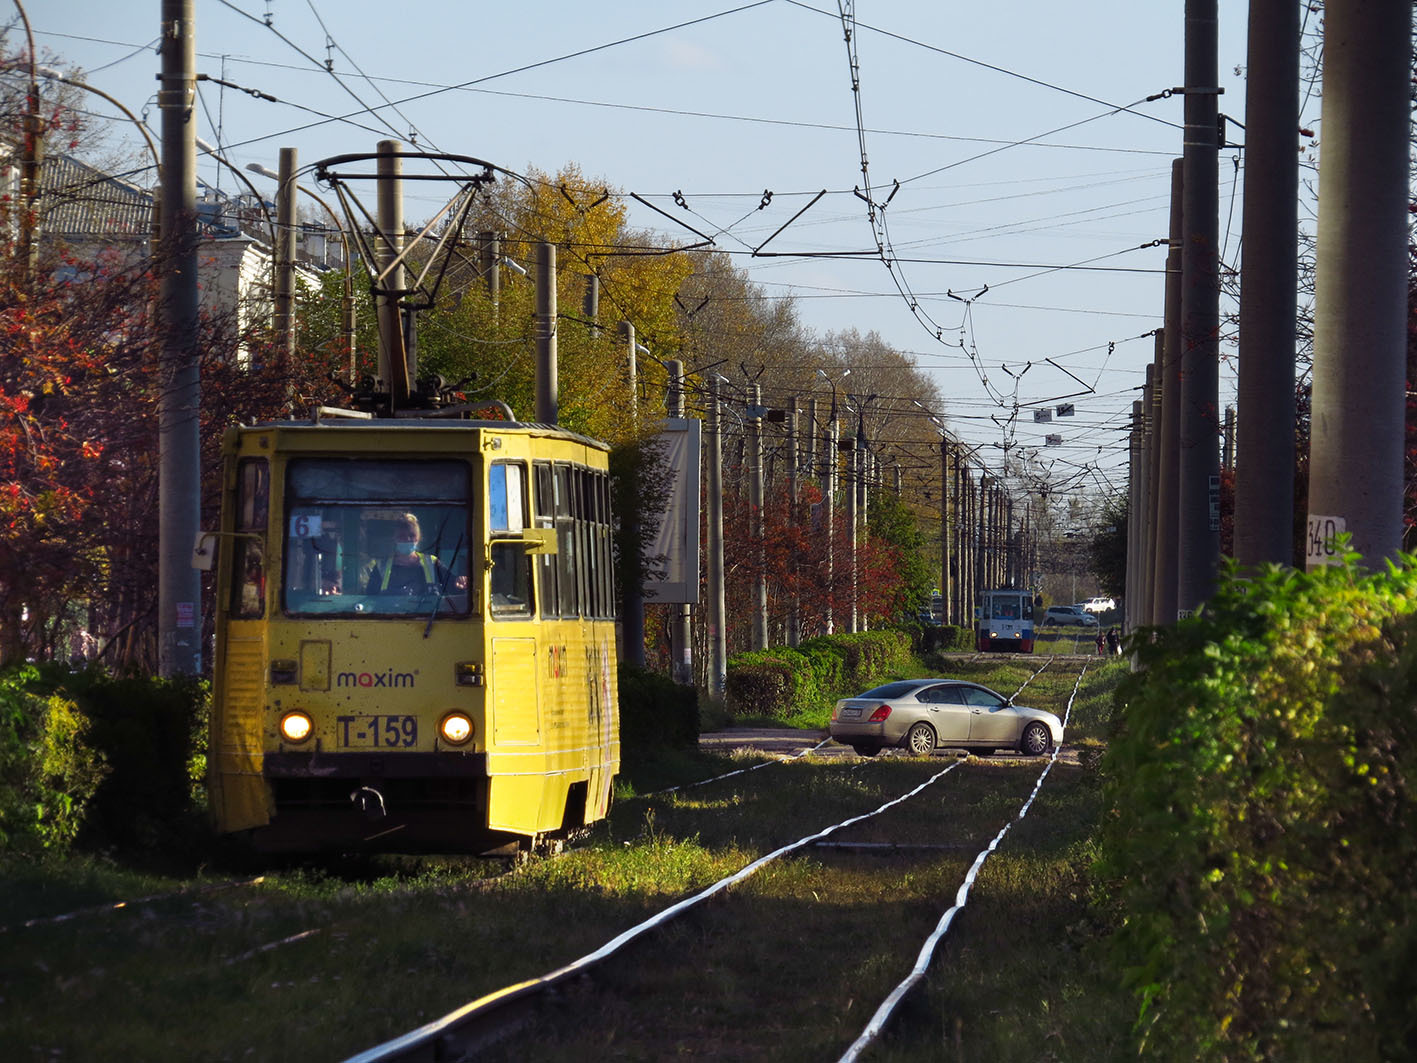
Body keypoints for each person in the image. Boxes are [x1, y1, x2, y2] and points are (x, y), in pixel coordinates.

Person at [364, 513, 466, 597]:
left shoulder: (432, 563)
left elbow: (453, 586)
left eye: (412, 535)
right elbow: (369, 598)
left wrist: (460, 582)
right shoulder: (381, 566)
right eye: (402, 536)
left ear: (418, 538)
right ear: (394, 539)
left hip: (427, 621)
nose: (408, 539)